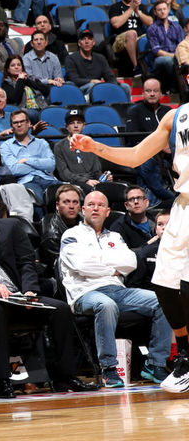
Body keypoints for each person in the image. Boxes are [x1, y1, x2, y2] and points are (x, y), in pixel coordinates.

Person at [71, 89, 189, 393]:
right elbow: (137, 154)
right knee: (165, 284)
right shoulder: (175, 116)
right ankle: (186, 355)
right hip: (184, 204)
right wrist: (96, 147)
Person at [0, 194, 98, 394]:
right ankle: (2, 380)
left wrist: (30, 290)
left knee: (61, 309)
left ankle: (65, 377)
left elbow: (26, 262)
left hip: (20, 295)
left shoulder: (10, 227)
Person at [59, 191, 171, 387]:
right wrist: (113, 268)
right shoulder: (71, 235)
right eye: (91, 204)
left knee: (163, 300)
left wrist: (101, 262)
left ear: (108, 211)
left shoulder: (116, 237)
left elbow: (130, 262)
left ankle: (155, 364)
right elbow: (81, 266)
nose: (95, 208)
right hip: (85, 293)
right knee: (106, 305)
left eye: (100, 205)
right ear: (83, 209)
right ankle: (109, 368)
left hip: (118, 290)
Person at [125, 78, 176, 206]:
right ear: (142, 94)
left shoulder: (169, 112)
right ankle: (164, 199)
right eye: (148, 91)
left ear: (161, 94)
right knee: (146, 163)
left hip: (170, 153)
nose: (152, 94)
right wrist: (158, 145)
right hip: (145, 155)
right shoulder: (135, 111)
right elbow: (133, 136)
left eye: (155, 91)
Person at [1, 109, 60, 202]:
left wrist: (26, 161)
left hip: (47, 179)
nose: (19, 125)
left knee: (68, 194)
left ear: (29, 123)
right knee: (35, 199)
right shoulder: (6, 146)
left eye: (22, 121)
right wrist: (39, 165)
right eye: (15, 123)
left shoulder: (41, 143)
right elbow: (13, 169)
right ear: (12, 126)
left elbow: (51, 165)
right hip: (26, 182)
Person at [54, 109, 108, 194]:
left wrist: (104, 177)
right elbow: (64, 174)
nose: (76, 126)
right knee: (92, 191)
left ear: (84, 125)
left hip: (92, 181)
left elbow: (96, 170)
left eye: (79, 122)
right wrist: (86, 180)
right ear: (66, 126)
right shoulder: (59, 146)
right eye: (72, 123)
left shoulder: (91, 143)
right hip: (73, 182)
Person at [65, 30, 132, 98]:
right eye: (83, 39)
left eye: (89, 39)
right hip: (81, 89)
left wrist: (114, 85)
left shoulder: (100, 58)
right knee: (92, 86)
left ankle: (126, 107)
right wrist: (91, 81)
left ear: (93, 42)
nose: (87, 42)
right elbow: (74, 79)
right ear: (79, 43)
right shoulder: (71, 58)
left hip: (98, 87)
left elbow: (109, 76)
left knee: (125, 87)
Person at [110, 0, 154, 73]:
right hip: (120, 40)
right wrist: (131, 9)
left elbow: (150, 23)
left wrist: (138, 11)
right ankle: (136, 67)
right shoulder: (115, 7)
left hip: (139, 38)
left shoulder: (140, 6)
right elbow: (116, 24)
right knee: (132, 34)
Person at [39, 184, 83, 272]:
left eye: (75, 202)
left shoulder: (85, 222)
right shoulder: (52, 234)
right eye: (66, 202)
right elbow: (59, 268)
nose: (71, 206)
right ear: (57, 205)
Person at [129, 209, 171, 289]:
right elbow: (134, 284)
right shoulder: (146, 252)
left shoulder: (185, 251)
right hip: (153, 294)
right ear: (155, 229)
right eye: (160, 224)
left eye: (169, 224)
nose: (164, 228)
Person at [147, 0, 185, 86]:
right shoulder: (152, 29)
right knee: (169, 61)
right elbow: (156, 51)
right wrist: (174, 56)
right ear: (155, 12)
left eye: (164, 9)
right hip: (160, 59)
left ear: (168, 10)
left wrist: (179, 55)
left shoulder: (176, 27)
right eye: (159, 10)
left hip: (177, 56)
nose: (162, 11)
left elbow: (181, 45)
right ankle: (176, 86)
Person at [110, 185, 156, 251]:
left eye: (139, 198)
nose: (136, 202)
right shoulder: (118, 227)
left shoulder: (156, 220)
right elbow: (122, 254)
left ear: (147, 202)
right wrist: (148, 244)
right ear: (126, 205)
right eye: (131, 199)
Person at [2, 55, 49, 120]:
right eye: (13, 65)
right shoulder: (6, 83)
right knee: (32, 114)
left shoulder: (30, 78)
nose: (16, 67)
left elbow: (46, 90)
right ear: (8, 69)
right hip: (24, 110)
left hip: (41, 107)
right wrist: (20, 80)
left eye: (19, 65)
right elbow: (14, 98)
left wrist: (27, 81)